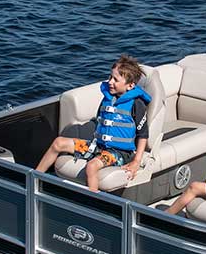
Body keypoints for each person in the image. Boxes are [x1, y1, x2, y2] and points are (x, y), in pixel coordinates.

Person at [33, 55, 150, 192]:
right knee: (58, 143)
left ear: (130, 85)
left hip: (120, 153)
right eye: (110, 77)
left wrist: (136, 161)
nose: (110, 82)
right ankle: (34, 180)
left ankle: (93, 199)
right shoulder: (108, 99)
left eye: (115, 80)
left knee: (92, 166)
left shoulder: (136, 104)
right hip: (98, 146)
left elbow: (143, 135)